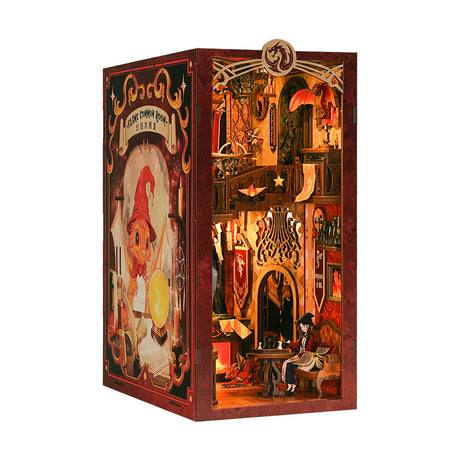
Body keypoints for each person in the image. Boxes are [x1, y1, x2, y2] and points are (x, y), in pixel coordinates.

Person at [282, 313, 314, 395]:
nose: (303, 329)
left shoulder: (310, 337)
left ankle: (293, 385)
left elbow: (308, 350)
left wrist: (299, 356)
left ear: (308, 326)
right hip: (301, 356)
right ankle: (289, 385)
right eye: (301, 327)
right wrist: (289, 342)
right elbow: (297, 344)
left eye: (304, 327)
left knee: (290, 365)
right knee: (287, 363)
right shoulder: (303, 337)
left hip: (306, 357)